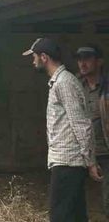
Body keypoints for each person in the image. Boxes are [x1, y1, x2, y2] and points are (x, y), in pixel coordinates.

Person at [23, 37, 101, 222]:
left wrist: (90, 161)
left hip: (68, 162)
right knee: (76, 215)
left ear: (44, 57)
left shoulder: (64, 83)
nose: (32, 60)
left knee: (61, 216)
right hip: (67, 161)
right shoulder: (61, 82)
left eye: (34, 56)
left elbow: (81, 123)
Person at [76, 44, 109, 217]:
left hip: (105, 150)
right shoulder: (74, 87)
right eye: (80, 59)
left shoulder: (107, 86)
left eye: (88, 58)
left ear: (99, 62)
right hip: (81, 152)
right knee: (74, 199)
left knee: (108, 200)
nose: (83, 63)